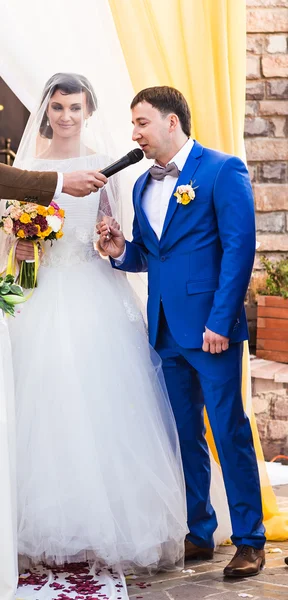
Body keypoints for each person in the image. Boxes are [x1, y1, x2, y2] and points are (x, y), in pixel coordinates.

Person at [6, 72, 191, 574]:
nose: (66, 116)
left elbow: (111, 229)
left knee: (100, 400)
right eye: (59, 107)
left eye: (76, 108)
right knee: (43, 401)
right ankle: (43, 525)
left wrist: (109, 233)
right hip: (42, 295)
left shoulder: (105, 164)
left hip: (92, 291)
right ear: (47, 111)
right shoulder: (29, 167)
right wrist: (23, 243)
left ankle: (104, 525)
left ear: (89, 112)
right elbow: (11, 238)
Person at [98, 85, 266, 578]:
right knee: (184, 434)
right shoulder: (140, 185)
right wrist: (119, 250)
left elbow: (239, 249)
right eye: (133, 124)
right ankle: (200, 530)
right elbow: (152, 255)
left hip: (211, 330)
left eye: (142, 122)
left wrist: (221, 320)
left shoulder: (221, 170)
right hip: (165, 329)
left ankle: (250, 539)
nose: (135, 133)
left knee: (229, 431)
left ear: (172, 122)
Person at [0, 160, 107, 204]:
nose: (66, 117)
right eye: (58, 109)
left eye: (75, 109)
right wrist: (63, 182)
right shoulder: (27, 161)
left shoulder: (102, 160)